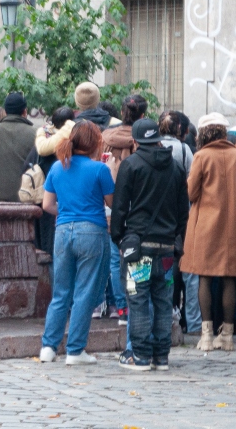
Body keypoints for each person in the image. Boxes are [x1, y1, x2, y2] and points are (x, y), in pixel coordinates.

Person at [111, 119, 189, 371]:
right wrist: (176, 238)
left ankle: (141, 355)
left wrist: (119, 237)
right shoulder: (176, 168)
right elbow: (183, 212)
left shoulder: (131, 165)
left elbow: (120, 208)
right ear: (158, 139)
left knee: (138, 298)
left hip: (139, 248)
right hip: (166, 249)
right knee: (163, 300)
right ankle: (161, 355)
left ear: (134, 141)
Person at [39, 120, 114, 365]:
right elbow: (113, 203)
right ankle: (75, 350)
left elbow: (47, 205)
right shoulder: (99, 169)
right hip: (92, 231)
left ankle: (48, 348)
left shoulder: (58, 168)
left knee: (61, 293)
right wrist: (111, 170)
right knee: (85, 292)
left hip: (62, 231)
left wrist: (69, 210)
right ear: (94, 143)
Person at [180, 113, 236, 351]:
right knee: (229, 277)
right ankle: (228, 335)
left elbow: (191, 194)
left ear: (203, 133)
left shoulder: (201, 156)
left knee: (204, 275)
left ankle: (206, 335)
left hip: (205, 224)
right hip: (232, 224)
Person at [100, 95, 148, 326]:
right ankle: (134, 305)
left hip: (110, 201)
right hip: (137, 204)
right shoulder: (142, 139)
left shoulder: (106, 137)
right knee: (136, 257)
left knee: (113, 257)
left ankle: (121, 309)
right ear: (142, 115)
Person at [158, 110, 197, 334]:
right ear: (180, 129)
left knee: (166, 262)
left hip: (155, 210)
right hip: (178, 210)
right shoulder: (184, 150)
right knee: (179, 259)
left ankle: (168, 307)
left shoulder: (150, 147)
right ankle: (184, 318)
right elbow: (191, 182)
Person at [30, 106, 76, 255]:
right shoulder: (75, 145)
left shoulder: (42, 141)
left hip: (47, 201)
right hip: (71, 205)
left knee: (50, 248)